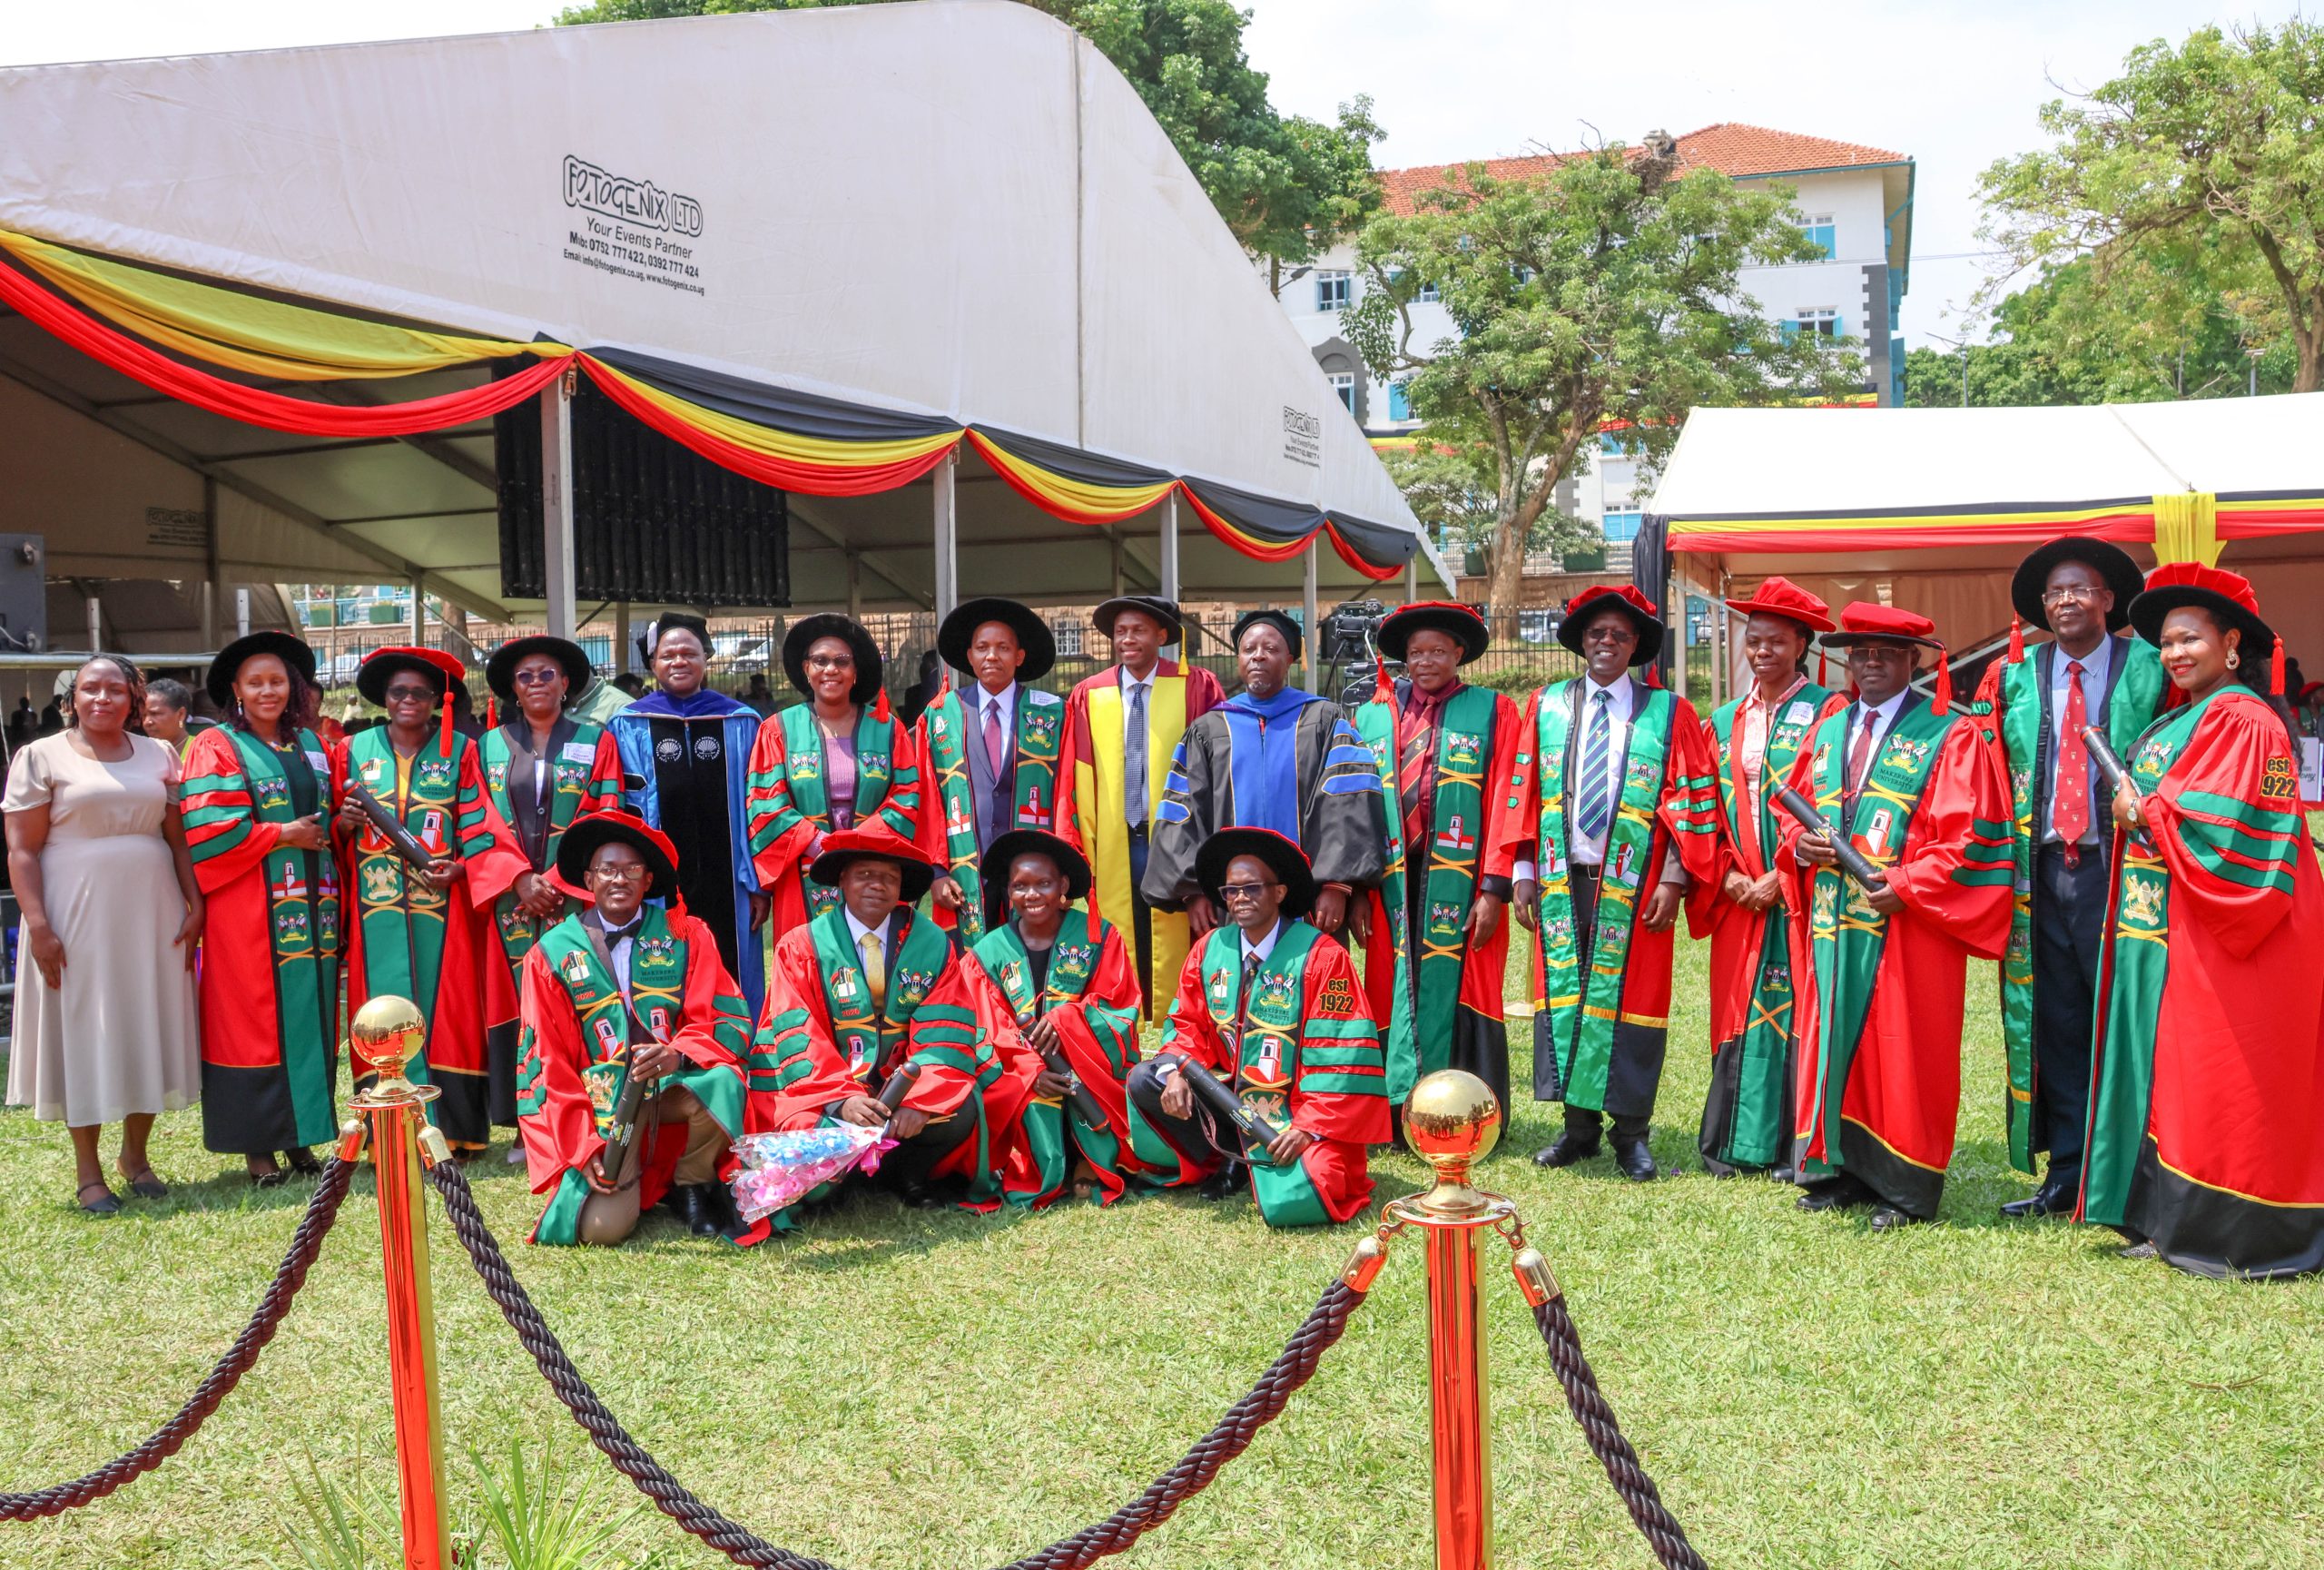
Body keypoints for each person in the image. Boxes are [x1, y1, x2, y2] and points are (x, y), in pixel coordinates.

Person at [2077, 565, 2324, 1278]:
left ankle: (2231, 1226)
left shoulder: (2242, 717)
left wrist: (2140, 808)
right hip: (2165, 925)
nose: (2176, 653)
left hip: (2223, 927)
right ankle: (2159, 1216)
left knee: (2218, 1075)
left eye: (2191, 638)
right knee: (2169, 1071)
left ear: (2232, 643)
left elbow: (2227, 825)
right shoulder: (2183, 715)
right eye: (2167, 643)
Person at [1775, 604, 2013, 1229]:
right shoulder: (1828, 729)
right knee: (1834, 1039)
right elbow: (1790, 813)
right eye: (1860, 651)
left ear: (1917, 660)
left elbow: (1967, 839)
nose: (1870, 661)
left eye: (1885, 652)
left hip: (1908, 923)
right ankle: (1841, 1170)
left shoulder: (1950, 733)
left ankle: (1905, 1186)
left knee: (1904, 1047)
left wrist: (1906, 882)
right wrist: (1799, 846)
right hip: (1834, 921)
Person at [1499, 587, 1718, 1182]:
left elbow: (1692, 799)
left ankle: (1632, 1134)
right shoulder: (1546, 705)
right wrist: (1520, 872)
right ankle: (1578, 1129)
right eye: (1597, 633)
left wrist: (1674, 880)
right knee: (1567, 999)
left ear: (1636, 647)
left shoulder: (1670, 712)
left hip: (1634, 884)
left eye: (1620, 635)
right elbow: (1521, 792)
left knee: (1632, 1005)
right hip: (1559, 880)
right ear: (1580, 641)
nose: (1606, 643)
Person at [1976, 538, 2163, 1217]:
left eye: (2080, 588)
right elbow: (1989, 775)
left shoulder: (2151, 666)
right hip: (2042, 872)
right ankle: (2068, 1170)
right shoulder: (2018, 677)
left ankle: (2139, 1168)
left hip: (2126, 872)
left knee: (2129, 1015)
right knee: (2055, 1019)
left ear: (2109, 599)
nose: (2065, 601)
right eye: (2055, 592)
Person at [750, 824, 1037, 1210]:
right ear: (842, 881)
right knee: (809, 1157)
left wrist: (918, 1100)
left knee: (958, 1108)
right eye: (865, 874)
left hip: (899, 1087)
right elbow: (799, 1034)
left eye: (890, 877)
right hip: (829, 1090)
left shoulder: (931, 942)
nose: (877, 885)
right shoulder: (800, 946)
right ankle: (844, 1180)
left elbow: (945, 1033)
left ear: (902, 888)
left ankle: (906, 1174)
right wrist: (841, 1102)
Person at [4, 657, 202, 1213]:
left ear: (133, 701)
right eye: (90, 689)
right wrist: (39, 925)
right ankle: (88, 1171)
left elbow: (177, 838)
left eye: (115, 690)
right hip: (74, 910)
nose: (102, 699)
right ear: (72, 698)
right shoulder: (39, 756)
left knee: (148, 1020)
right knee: (84, 1029)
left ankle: (135, 1157)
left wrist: (195, 902)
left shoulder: (159, 754)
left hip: (153, 908)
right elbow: (22, 850)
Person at [1125, 828, 1388, 1225]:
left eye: (1252, 888)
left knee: (1311, 1190)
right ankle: (1226, 1161)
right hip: (1225, 1097)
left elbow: (1342, 1055)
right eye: (1231, 891)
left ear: (1279, 893)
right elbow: (1187, 1025)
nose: (1240, 899)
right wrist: (1175, 1070)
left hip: (1296, 1109)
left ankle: (1251, 1165)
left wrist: (1309, 1128)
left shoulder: (1322, 957)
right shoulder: (1211, 949)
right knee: (1147, 1079)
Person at [516, 812, 753, 1247]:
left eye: (631, 870)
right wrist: (581, 1148)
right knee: (601, 1231)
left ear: (648, 881)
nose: (619, 879)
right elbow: (545, 1060)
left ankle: (691, 1183)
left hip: (671, 1088)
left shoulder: (687, 935)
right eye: (608, 870)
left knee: (723, 1081)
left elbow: (729, 1020)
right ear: (588, 880)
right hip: (605, 1105)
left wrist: (678, 1054)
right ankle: (639, 1175)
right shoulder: (550, 954)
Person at [334, 647, 529, 1154]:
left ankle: (453, 1131)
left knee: (451, 1010)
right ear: (384, 696)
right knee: (377, 1005)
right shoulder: (352, 751)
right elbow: (330, 828)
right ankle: (385, 1132)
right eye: (399, 691)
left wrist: (463, 868)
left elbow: (480, 823)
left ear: (436, 701)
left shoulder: (460, 751)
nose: (409, 701)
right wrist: (343, 825)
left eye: (420, 693)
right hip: (374, 907)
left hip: (444, 909)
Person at [1689, 578, 1841, 1177]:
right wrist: (1724, 873)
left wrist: (1781, 874)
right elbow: (1700, 804)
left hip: (1800, 891)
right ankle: (1735, 1143)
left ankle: (1792, 1146)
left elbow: (1830, 799)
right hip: (1737, 895)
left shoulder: (1828, 711)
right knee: (1735, 1005)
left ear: (1801, 643)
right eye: (1753, 642)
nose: (1762, 652)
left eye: (1775, 642)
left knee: (1802, 1005)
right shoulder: (1725, 718)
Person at [1350, 600, 1521, 1115]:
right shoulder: (1372, 714)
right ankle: (1395, 1107)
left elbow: (1508, 801)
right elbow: (1354, 807)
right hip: (1392, 878)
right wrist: (1356, 887)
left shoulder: (1493, 710)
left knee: (1466, 981)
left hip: (1463, 876)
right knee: (1391, 980)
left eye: (1438, 651)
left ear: (1459, 653)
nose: (1426, 661)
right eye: (1416, 652)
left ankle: (1465, 1106)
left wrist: (1494, 888)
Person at [183, 632, 341, 1184]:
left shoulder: (312, 745)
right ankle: (257, 1148)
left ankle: (301, 1138)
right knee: (251, 1017)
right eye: (256, 683)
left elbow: (329, 813)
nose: (268, 691)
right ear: (237, 690)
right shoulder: (216, 745)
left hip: (311, 907)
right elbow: (207, 829)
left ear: (293, 687)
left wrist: (334, 826)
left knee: (308, 1015)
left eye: (277, 681)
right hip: (248, 907)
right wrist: (281, 835)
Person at [1143, 609, 1387, 946]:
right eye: (1249, 649)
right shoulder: (1208, 729)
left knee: (1309, 983)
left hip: (1312, 898)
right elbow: (1183, 811)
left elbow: (1348, 804)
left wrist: (1336, 884)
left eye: (1270, 649)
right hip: (1230, 902)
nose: (1258, 655)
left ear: (1290, 659)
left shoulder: (1324, 719)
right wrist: (1192, 892)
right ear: (1239, 658)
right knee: (1233, 987)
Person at [478, 635, 625, 1133]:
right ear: (513, 690)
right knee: (518, 1002)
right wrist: (520, 879)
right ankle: (525, 1121)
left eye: (547, 675)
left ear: (566, 684)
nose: (537, 683)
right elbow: (478, 821)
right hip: (511, 903)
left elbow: (605, 815)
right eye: (525, 676)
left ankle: (581, 1114)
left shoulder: (596, 741)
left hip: (572, 898)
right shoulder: (490, 746)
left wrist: (558, 879)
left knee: (575, 996)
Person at [1057, 596, 1226, 1018]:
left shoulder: (1195, 685)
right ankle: (1127, 1003)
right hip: (1117, 833)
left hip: (1175, 834)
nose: (1127, 639)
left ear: (1162, 636)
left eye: (1138, 631)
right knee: (1121, 917)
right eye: (1120, 632)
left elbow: (1218, 768)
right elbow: (1074, 772)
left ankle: (1181, 1009)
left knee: (1180, 916)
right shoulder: (1088, 694)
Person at [970, 828, 1147, 1207]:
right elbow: (986, 1025)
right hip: (1019, 1067)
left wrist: (1067, 1020)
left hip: (1089, 1062)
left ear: (1063, 885)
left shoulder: (1099, 936)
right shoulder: (988, 952)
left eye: (1043, 883)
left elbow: (1119, 1007)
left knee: (1086, 1080)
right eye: (1020, 885)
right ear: (1009, 891)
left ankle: (1089, 1157)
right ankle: (1037, 1168)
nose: (1031, 895)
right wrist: (1032, 1068)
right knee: (1024, 1091)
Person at [607, 615, 770, 1012]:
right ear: (653, 663)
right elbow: (622, 808)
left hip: (732, 878)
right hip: (660, 879)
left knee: (732, 965)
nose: (678, 661)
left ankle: (738, 1049)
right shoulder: (628, 724)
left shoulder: (742, 722)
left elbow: (759, 806)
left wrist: (759, 883)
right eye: (668, 655)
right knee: (665, 965)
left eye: (688, 653)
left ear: (706, 658)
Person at [744, 613, 923, 938]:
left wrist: (860, 844)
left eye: (842, 661)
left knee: (875, 956)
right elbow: (765, 802)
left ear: (855, 672)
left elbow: (907, 793)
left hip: (874, 864)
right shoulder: (779, 729)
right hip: (803, 870)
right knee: (808, 959)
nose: (831, 669)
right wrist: (818, 844)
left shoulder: (887, 728)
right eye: (820, 660)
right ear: (806, 669)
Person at [915, 597, 1067, 947]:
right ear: (969, 656)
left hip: (1033, 869)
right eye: (982, 647)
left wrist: (1062, 869)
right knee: (969, 970)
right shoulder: (942, 715)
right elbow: (928, 798)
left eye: (1003, 647)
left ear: (1020, 656)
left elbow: (1066, 794)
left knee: (1034, 961)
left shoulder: (1053, 714)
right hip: (964, 864)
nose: (992, 656)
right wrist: (936, 872)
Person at [142, 676, 212, 758]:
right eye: (143, 715)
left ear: (181, 714)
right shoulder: (141, 754)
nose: (147, 722)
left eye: (155, 714)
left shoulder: (202, 752)